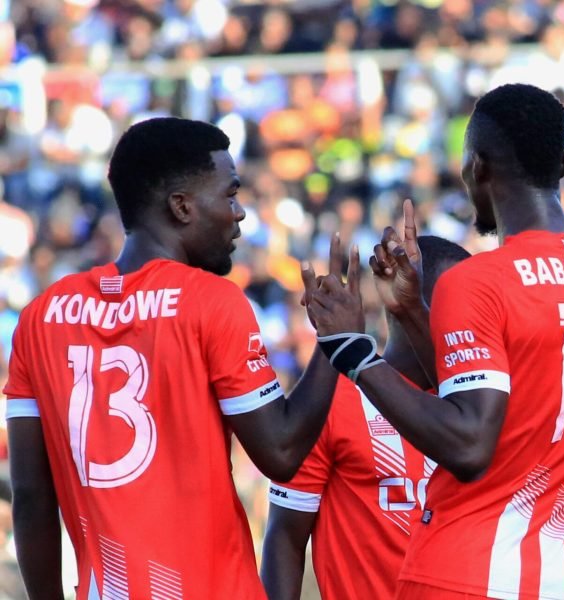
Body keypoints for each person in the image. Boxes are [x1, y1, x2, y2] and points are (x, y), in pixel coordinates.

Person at [302, 83, 564, 600]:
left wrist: (354, 352)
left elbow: (469, 444)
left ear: (478, 167)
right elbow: (516, 404)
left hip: (473, 575)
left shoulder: (480, 280)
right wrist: (414, 313)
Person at [4, 117, 340, 599]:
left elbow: (33, 498)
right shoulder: (211, 301)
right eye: (229, 195)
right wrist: (335, 343)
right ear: (182, 207)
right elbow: (281, 452)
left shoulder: (40, 317)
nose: (240, 213)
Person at [260, 235, 470, 600]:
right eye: (465, 307)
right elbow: (285, 537)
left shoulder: (479, 408)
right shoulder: (332, 399)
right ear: (410, 303)